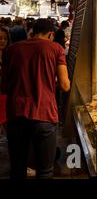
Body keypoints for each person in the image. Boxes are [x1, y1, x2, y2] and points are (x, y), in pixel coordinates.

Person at [2, 18, 71, 179]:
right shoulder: (56, 49)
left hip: (16, 114)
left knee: (17, 170)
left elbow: (4, 86)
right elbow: (65, 85)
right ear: (51, 34)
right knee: (45, 171)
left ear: (32, 32)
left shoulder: (11, 50)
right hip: (44, 114)